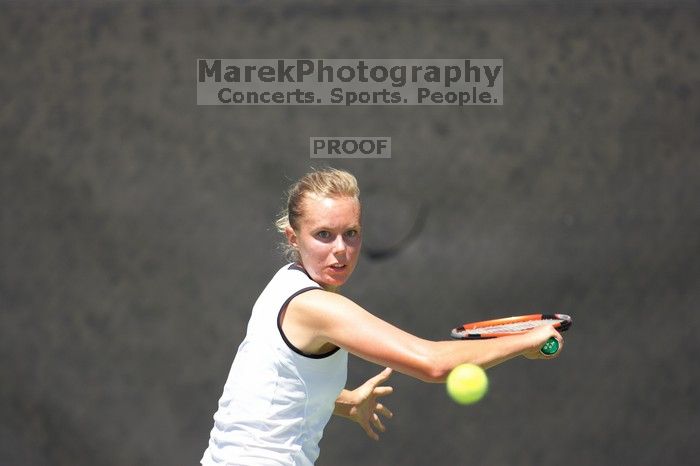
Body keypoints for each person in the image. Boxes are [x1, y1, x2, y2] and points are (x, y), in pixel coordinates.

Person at [201, 168, 563, 466]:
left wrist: (342, 401)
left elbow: (268, 387)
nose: (340, 250)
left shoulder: (281, 288)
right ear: (293, 238)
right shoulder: (316, 307)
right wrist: (525, 340)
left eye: (351, 233)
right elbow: (432, 363)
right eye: (323, 235)